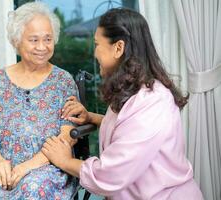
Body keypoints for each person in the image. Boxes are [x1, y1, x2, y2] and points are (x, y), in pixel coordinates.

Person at [42, 8, 203, 200]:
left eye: (97, 44)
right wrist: (91, 117)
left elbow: (110, 175)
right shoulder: (134, 91)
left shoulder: (153, 101)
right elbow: (128, 128)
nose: (94, 53)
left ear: (118, 48)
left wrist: (65, 161)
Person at [0, 2, 78, 199]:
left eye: (48, 39)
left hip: (45, 165)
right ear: (16, 41)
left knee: (33, 190)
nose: (42, 47)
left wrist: (26, 167)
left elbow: (68, 135)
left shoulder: (63, 81)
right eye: (34, 40)